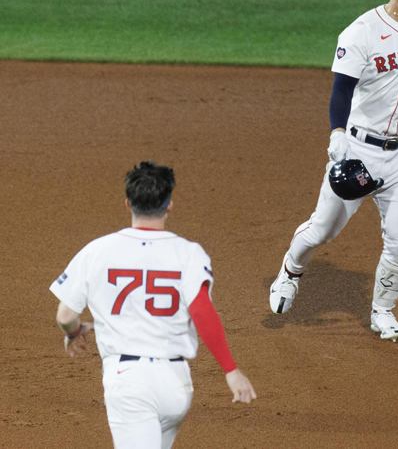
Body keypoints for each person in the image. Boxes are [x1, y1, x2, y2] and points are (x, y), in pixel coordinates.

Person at [268, 0, 398, 341]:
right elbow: (341, 89)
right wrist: (337, 135)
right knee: (322, 231)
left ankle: (383, 310)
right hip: (358, 151)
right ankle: (289, 273)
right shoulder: (361, 31)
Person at [50, 161, 256, 449]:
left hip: (129, 385)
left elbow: (66, 314)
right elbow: (201, 311)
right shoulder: (189, 253)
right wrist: (231, 370)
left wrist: (73, 333)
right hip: (176, 385)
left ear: (127, 203)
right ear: (169, 204)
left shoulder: (98, 250)